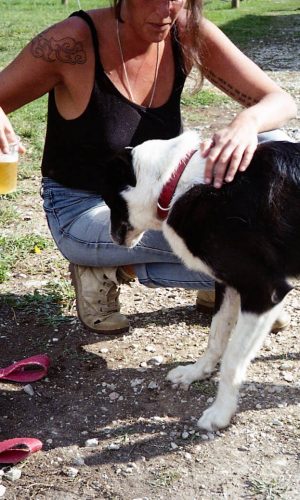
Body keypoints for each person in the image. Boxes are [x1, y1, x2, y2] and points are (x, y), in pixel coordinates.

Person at [0, 0, 297, 334]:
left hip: (157, 198)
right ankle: (102, 271)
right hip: (86, 209)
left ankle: (217, 282)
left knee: (271, 140)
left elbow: (280, 100)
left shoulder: (186, 30)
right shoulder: (72, 42)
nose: (165, 9)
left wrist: (247, 121)